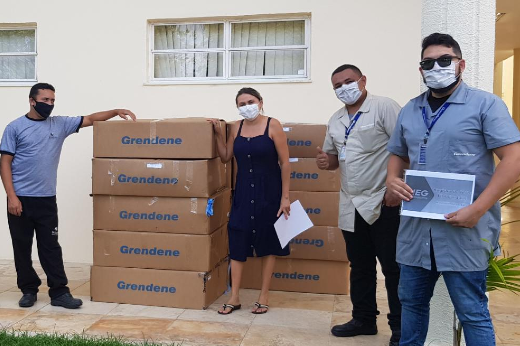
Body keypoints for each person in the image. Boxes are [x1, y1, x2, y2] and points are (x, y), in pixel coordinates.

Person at [386, 33, 520, 346]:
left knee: (472, 312)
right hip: (416, 233)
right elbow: (397, 153)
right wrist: (392, 178)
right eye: (428, 62)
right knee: (412, 307)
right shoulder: (410, 109)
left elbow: (513, 159)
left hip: (464, 230)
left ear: (460, 64)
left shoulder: (485, 105)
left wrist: (478, 209)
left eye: (444, 60)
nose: (436, 66)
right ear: (421, 70)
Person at [0, 83, 136, 309]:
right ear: (32, 101)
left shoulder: (60, 124)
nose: (50, 105)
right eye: (45, 100)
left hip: (46, 198)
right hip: (20, 199)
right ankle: (28, 290)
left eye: (53, 101)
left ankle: (59, 293)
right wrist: (11, 197)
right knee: (21, 247)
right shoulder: (15, 127)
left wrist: (115, 111)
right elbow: (4, 163)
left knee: (50, 246)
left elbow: (91, 119)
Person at [316, 64, 402, 346]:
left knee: (393, 268)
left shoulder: (384, 108)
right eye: (337, 86)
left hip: (383, 201)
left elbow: (406, 148)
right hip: (351, 204)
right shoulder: (336, 119)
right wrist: (325, 163)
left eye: (348, 81)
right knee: (360, 266)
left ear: (363, 80)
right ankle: (364, 319)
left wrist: (395, 186)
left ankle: (400, 328)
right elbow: (332, 159)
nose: (344, 88)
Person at [208, 87, 291, 315]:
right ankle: (234, 296)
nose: (247, 106)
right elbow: (226, 157)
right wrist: (217, 133)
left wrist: (285, 198)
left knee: (268, 241)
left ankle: (263, 296)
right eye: (242, 104)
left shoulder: (273, 125)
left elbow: (285, 163)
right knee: (238, 238)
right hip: (243, 191)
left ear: (261, 102)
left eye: (250, 101)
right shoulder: (237, 126)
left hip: (270, 193)